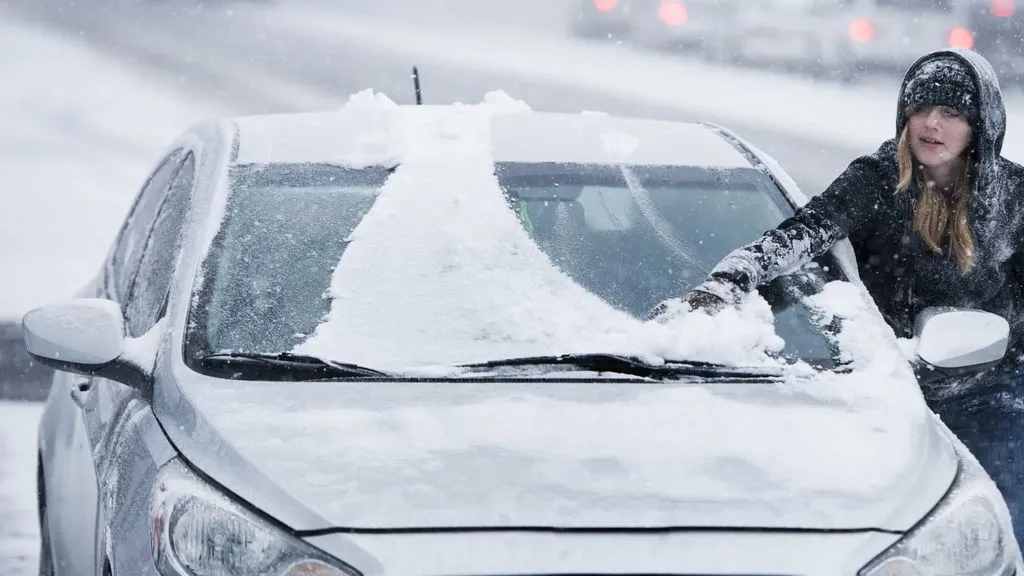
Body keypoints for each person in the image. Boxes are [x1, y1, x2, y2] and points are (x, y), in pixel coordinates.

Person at [653, 48, 1024, 547]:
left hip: (991, 390)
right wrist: (725, 283)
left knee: (999, 524)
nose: (931, 124)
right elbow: (801, 234)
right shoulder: (877, 179)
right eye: (920, 108)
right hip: (894, 388)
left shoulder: (1013, 195)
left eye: (952, 112)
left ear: (981, 125)